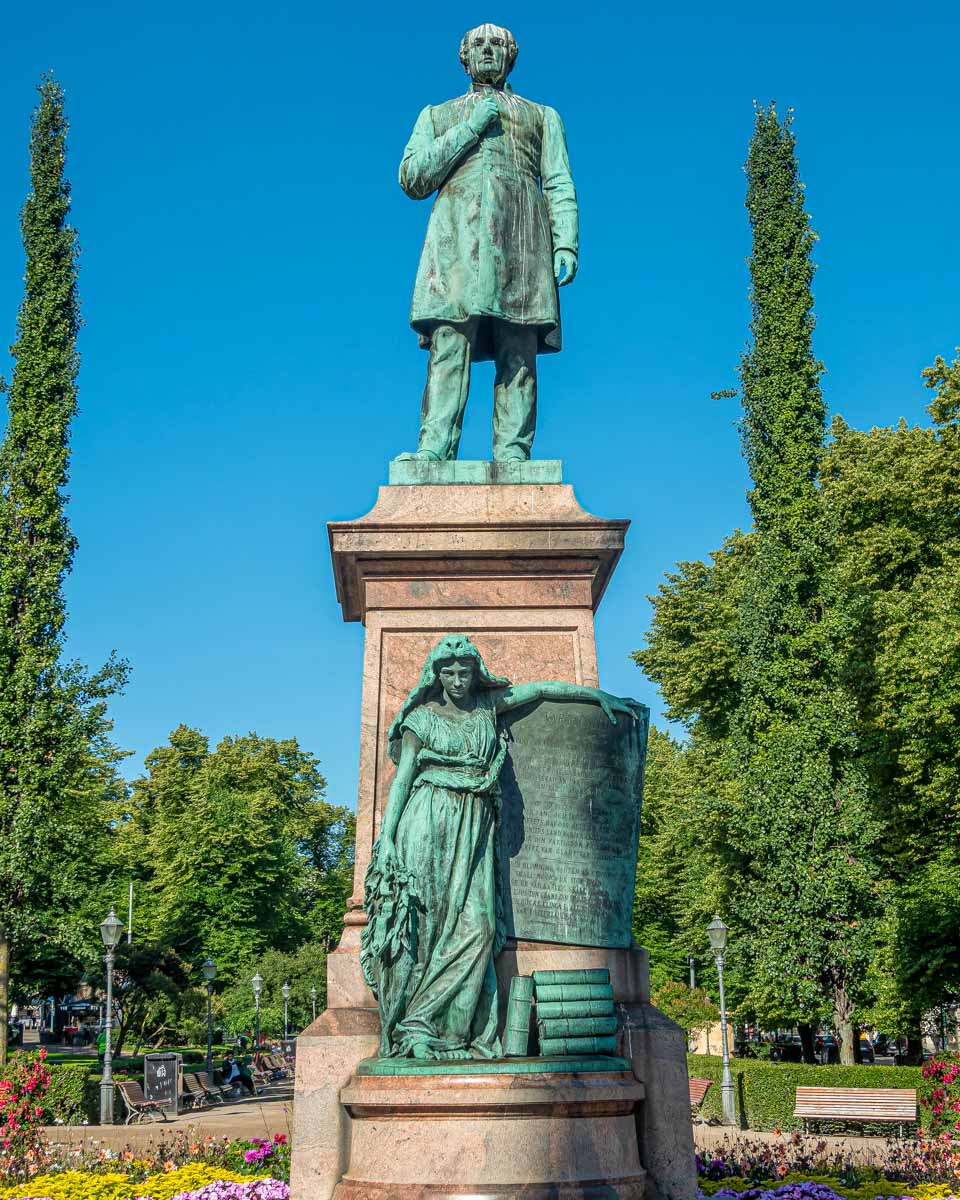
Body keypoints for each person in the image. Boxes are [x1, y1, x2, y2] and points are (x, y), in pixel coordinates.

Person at [361, 634, 641, 1060]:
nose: (458, 680)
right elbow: (402, 782)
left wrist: (595, 697)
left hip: (476, 825)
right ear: (436, 676)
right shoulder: (420, 720)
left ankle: (444, 1028)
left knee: (479, 927)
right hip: (429, 821)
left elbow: (542, 691)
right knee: (428, 928)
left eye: (465, 672)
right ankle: (417, 1030)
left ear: (477, 674)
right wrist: (387, 840)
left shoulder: (488, 708)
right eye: (449, 672)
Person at [397, 24, 578, 463]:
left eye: (497, 44)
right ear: (464, 58)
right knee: (449, 341)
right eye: (479, 45)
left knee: (519, 347)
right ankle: (434, 449)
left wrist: (566, 243)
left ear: (511, 56)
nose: (488, 51)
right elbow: (412, 177)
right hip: (456, 244)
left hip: (523, 242)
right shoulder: (437, 115)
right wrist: (471, 128)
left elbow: (558, 181)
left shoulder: (542, 116)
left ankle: (513, 453)